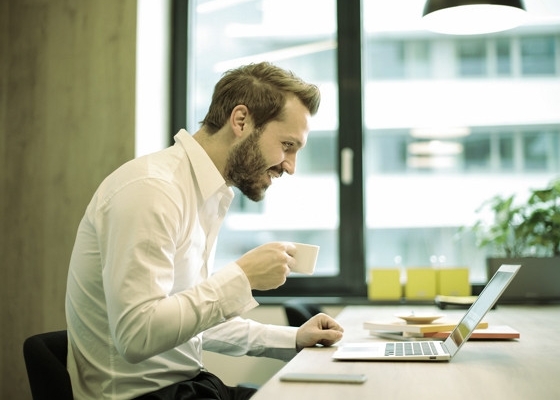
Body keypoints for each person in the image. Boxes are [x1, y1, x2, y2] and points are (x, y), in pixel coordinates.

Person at [65, 61, 344, 400]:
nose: (290, 166)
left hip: (187, 388)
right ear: (241, 121)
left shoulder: (206, 193)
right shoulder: (153, 190)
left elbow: (187, 323)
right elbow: (137, 336)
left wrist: (292, 338)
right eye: (287, 145)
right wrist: (241, 277)